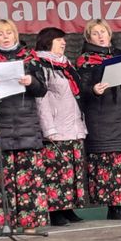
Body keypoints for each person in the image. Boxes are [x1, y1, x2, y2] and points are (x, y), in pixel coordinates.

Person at [0, 19, 48, 231]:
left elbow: (42, 89)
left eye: (9, 32)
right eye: (0, 34)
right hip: (0, 123)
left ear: (16, 34)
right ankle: (5, 223)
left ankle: (30, 223)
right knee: (4, 179)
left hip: (26, 123)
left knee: (28, 178)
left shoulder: (30, 57)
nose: (5, 37)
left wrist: (31, 82)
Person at [76, 19, 121, 220]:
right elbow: (80, 90)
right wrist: (93, 90)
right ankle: (114, 207)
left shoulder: (120, 56)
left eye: (103, 31)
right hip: (102, 120)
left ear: (109, 33)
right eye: (95, 33)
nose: (100, 36)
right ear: (89, 38)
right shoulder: (85, 61)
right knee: (110, 165)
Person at [35, 27, 87, 226]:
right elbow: (41, 100)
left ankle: (68, 207)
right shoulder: (41, 64)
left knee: (71, 172)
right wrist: (48, 128)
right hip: (56, 127)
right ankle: (55, 211)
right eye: (58, 40)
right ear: (47, 42)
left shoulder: (65, 64)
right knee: (55, 171)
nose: (63, 43)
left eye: (63, 40)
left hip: (73, 124)